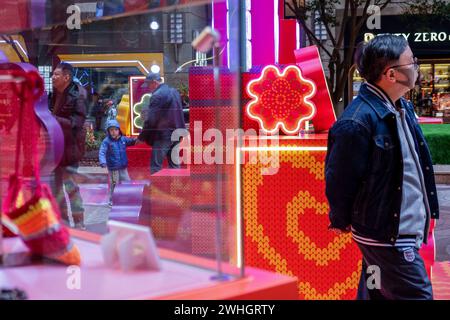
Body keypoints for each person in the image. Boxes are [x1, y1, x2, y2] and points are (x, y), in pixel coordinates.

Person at [325, 34, 439, 300]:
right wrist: (342, 219)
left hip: (390, 233)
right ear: (391, 74)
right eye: (412, 62)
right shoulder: (357, 122)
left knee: (376, 295)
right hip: (386, 236)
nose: (416, 67)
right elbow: (339, 180)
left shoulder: (402, 108)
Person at [50, 62, 87, 229]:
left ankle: (79, 222)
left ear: (67, 77)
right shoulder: (53, 95)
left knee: (70, 186)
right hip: (55, 148)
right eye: (53, 75)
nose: (53, 78)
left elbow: (76, 124)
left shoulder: (78, 96)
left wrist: (52, 118)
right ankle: (63, 221)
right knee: (56, 188)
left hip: (70, 148)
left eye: (56, 75)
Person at [138, 72, 186, 174]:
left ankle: (156, 189)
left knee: (156, 166)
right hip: (177, 133)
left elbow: (151, 120)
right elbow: (179, 112)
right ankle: (176, 188)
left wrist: (142, 137)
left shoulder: (157, 96)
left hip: (164, 135)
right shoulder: (174, 92)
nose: (148, 88)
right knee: (174, 164)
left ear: (154, 83)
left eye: (148, 84)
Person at [99, 119, 137, 206]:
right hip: (113, 168)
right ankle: (111, 200)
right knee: (114, 184)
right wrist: (103, 161)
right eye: (111, 130)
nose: (114, 132)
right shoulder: (106, 141)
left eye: (115, 129)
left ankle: (128, 198)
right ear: (108, 131)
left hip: (123, 167)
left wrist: (135, 140)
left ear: (119, 130)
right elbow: (102, 152)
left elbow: (131, 141)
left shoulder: (123, 139)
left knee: (127, 182)